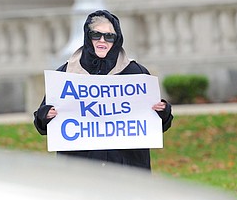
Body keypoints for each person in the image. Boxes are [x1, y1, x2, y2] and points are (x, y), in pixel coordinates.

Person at [34, 10, 173, 170]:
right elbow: (41, 125)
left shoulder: (136, 73)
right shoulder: (65, 74)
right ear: (87, 36)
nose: (102, 40)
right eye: (96, 35)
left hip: (127, 171)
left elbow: (157, 125)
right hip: (81, 173)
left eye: (109, 36)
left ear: (117, 39)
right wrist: (45, 116)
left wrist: (163, 112)